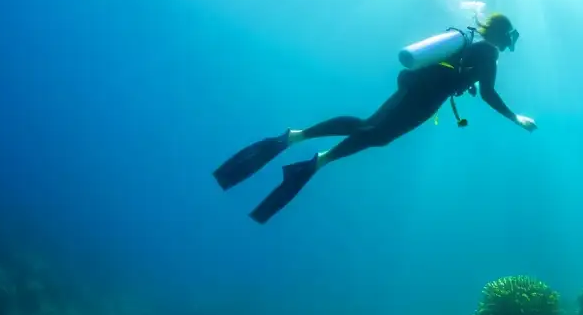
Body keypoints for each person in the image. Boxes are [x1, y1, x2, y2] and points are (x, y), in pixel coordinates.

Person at [212, 13, 538, 224]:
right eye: (511, 38)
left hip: (424, 95)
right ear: (502, 35)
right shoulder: (487, 53)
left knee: (378, 136)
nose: (511, 44)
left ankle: (320, 159)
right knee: (371, 127)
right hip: (421, 94)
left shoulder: (475, 46)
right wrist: (515, 118)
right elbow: (488, 94)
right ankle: (295, 137)